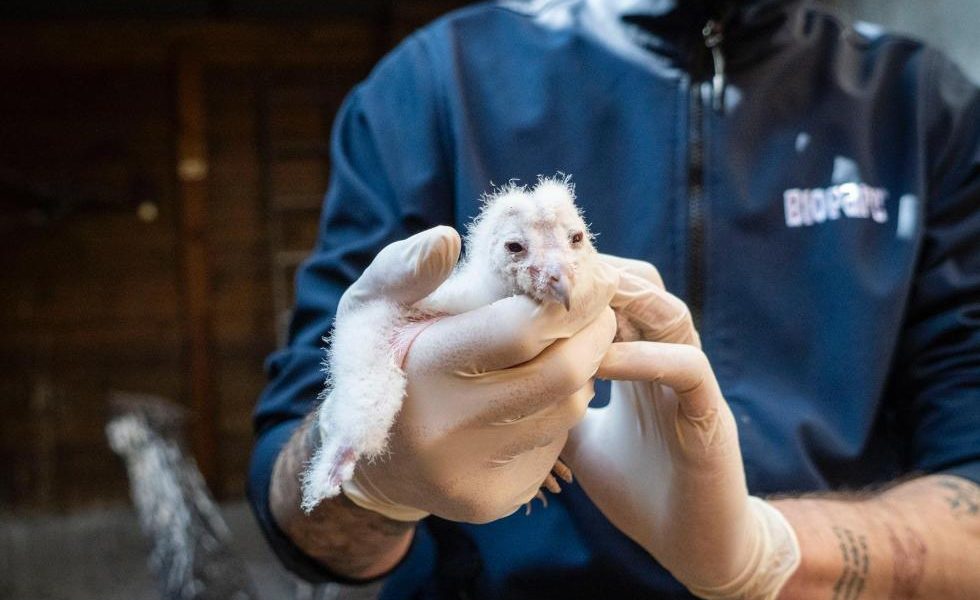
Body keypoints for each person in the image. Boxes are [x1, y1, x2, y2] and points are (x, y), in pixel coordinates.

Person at [247, 0, 980, 597]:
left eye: (572, 242)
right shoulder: (435, 84)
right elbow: (293, 508)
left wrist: (769, 553)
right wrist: (376, 471)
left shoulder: (922, 109)